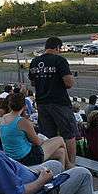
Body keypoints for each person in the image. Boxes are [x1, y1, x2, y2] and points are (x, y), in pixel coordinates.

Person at [29, 37, 79, 168]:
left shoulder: (34, 61)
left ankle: (51, 165)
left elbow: (33, 82)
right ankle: (71, 164)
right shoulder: (59, 60)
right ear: (57, 47)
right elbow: (69, 83)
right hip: (59, 102)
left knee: (47, 136)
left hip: (42, 103)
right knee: (69, 133)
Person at [0, 90, 69, 166]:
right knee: (60, 139)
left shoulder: (4, 117)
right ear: (24, 107)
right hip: (26, 158)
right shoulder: (23, 122)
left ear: (9, 105)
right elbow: (37, 142)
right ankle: (69, 164)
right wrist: (46, 141)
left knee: (61, 152)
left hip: (12, 156)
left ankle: (61, 173)